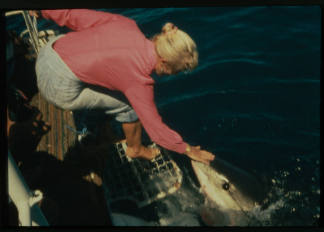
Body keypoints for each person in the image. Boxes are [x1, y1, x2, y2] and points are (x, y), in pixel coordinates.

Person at [30, 9, 215, 165]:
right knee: (129, 107)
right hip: (56, 88)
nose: (170, 75)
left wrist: (43, 10)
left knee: (107, 72)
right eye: (173, 71)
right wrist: (188, 149)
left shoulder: (127, 24)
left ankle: (103, 126)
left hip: (48, 53)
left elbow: (73, 15)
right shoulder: (140, 81)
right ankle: (135, 149)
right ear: (164, 62)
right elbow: (157, 131)